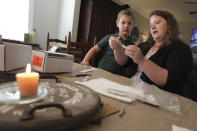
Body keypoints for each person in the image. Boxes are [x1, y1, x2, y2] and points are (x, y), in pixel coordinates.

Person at [109, 10, 193, 96]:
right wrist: (118, 49)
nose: (152, 27)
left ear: (169, 25)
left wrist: (142, 61)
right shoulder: (144, 45)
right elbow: (124, 62)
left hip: (153, 97)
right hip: (130, 87)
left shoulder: (181, 49)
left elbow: (169, 80)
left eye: (157, 23)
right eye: (150, 25)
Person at [81, 10, 137, 77]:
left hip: (116, 76)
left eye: (129, 23)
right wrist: (85, 61)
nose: (126, 26)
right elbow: (94, 49)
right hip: (101, 70)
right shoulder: (109, 38)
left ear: (132, 26)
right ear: (117, 23)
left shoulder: (132, 46)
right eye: (123, 22)